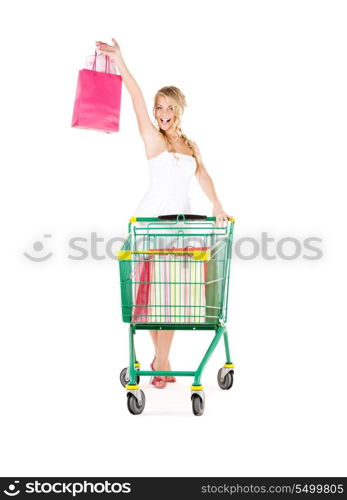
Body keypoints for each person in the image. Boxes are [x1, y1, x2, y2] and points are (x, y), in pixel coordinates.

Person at [96, 38, 231, 389]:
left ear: (180, 109)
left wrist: (216, 204)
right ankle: (164, 360)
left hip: (182, 225)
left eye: (168, 107)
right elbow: (136, 97)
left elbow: (203, 175)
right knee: (154, 298)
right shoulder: (152, 138)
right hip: (152, 223)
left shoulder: (190, 146)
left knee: (172, 298)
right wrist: (121, 62)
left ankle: (161, 359)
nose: (162, 113)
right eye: (159, 108)